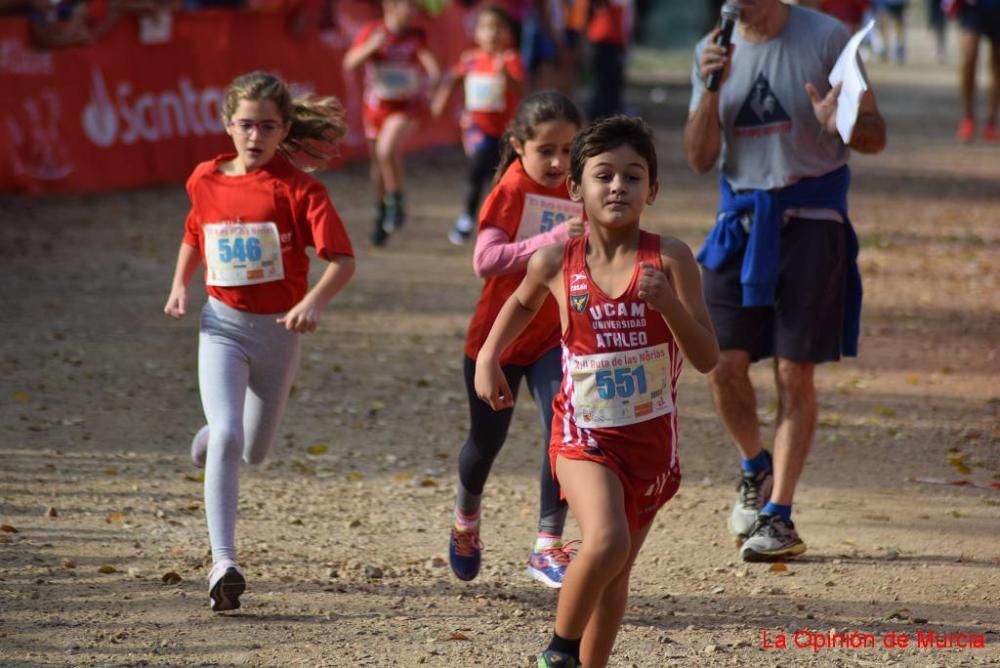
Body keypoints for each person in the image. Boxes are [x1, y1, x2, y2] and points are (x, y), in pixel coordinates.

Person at [475, 116, 719, 668]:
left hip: (651, 447)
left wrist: (670, 306)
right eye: (603, 175)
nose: (617, 187)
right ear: (574, 189)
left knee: (615, 574)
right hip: (583, 438)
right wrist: (490, 356)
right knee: (605, 541)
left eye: (633, 177)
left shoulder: (672, 258)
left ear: (651, 190)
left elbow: (707, 357)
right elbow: (518, 303)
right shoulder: (558, 259)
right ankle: (557, 653)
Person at [684, 0, 886, 562]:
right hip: (740, 223)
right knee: (720, 361)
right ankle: (755, 467)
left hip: (812, 222)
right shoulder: (710, 49)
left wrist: (838, 120)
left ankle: (780, 515)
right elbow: (700, 158)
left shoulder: (827, 39)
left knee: (793, 370)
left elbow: (875, 134)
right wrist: (709, 89)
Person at [163, 71, 356, 612]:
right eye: (245, 124)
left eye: (267, 126)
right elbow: (193, 232)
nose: (254, 135)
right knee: (230, 433)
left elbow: (342, 260)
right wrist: (180, 284)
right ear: (228, 125)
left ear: (284, 128)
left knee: (253, 448)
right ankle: (223, 562)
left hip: (278, 334)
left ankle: (207, 439)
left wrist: (312, 301)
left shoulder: (300, 189)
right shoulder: (205, 178)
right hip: (222, 325)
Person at [449, 90, 585, 590]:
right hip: (498, 341)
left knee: (564, 432)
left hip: (556, 339)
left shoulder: (584, 189)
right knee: (486, 443)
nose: (557, 162)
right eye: (546, 149)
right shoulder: (510, 189)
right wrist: (550, 241)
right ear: (518, 146)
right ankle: (466, 521)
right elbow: (485, 260)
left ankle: (548, 544)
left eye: (569, 149)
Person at [343, 0, 440, 246]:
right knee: (379, 165)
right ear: (391, 6)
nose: (413, 13)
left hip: (407, 106)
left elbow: (432, 66)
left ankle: (396, 201)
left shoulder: (416, 35)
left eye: (415, 9)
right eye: (409, 7)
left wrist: (432, 78)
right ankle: (381, 213)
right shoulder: (373, 32)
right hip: (376, 108)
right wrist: (371, 47)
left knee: (388, 150)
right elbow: (350, 63)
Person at [431, 4, 525, 245]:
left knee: (501, 180)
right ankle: (466, 218)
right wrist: (441, 100)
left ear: (508, 33)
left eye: (498, 27)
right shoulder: (471, 59)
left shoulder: (511, 59)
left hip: (507, 133)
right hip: (478, 129)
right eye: (486, 27)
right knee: (477, 170)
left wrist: (506, 75)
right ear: (476, 33)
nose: (492, 33)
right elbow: (454, 78)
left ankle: (500, 223)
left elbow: (522, 90)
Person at [953, 0, 1000, 143]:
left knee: (997, 66)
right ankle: (968, 118)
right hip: (973, 6)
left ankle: (990, 123)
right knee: (968, 57)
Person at [585, 0, 633, 121]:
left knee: (614, 83)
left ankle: (611, 115)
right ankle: (598, 117)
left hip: (616, 40)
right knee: (603, 84)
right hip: (604, 39)